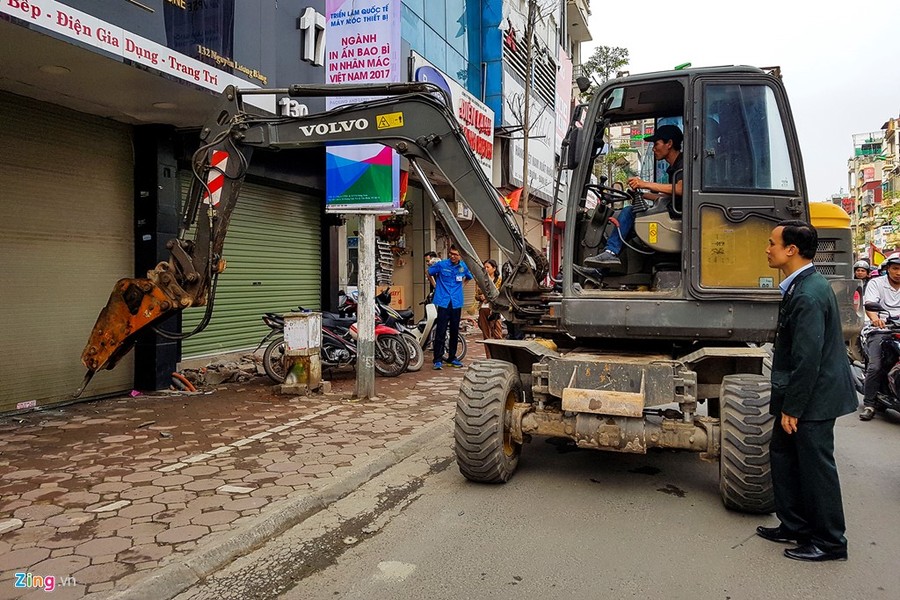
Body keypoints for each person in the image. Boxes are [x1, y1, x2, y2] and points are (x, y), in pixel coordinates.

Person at [757, 220, 855, 562]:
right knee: (783, 457)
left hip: (814, 398)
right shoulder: (800, 286)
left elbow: (808, 358)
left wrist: (793, 408)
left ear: (791, 250)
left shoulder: (809, 293)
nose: (767, 249)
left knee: (816, 468)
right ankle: (794, 525)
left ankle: (830, 542)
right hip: (800, 393)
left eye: (772, 243)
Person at [585, 124, 684, 267]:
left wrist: (644, 184)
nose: (654, 148)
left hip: (676, 218)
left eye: (656, 144)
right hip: (671, 212)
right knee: (627, 229)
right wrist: (642, 195)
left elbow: (681, 189)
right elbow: (670, 197)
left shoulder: (683, 164)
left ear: (669, 144)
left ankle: (610, 253)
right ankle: (601, 270)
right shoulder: (673, 167)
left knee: (629, 212)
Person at [859, 252, 900, 421]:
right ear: (887, 269)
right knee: (875, 366)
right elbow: (869, 305)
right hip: (881, 331)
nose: (898, 272)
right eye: (895, 268)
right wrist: (875, 320)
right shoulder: (876, 283)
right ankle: (869, 403)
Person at [428, 246, 473, 369]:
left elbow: (468, 277)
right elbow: (429, 272)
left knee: (454, 331)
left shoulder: (463, 266)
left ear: (460, 256)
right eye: (451, 254)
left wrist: (461, 288)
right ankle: (437, 359)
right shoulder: (442, 265)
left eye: (455, 254)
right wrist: (435, 286)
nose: (453, 256)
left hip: (456, 302)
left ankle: (452, 358)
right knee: (441, 330)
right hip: (443, 301)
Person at [476, 259, 503, 340]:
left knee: (497, 333)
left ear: (494, 268)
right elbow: (476, 295)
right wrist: (480, 297)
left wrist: (488, 298)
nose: (486, 269)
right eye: (484, 267)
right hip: (483, 308)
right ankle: (488, 353)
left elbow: (501, 295)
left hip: (495, 309)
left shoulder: (499, 280)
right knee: (486, 334)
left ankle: (498, 352)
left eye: (488, 267)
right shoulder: (480, 280)